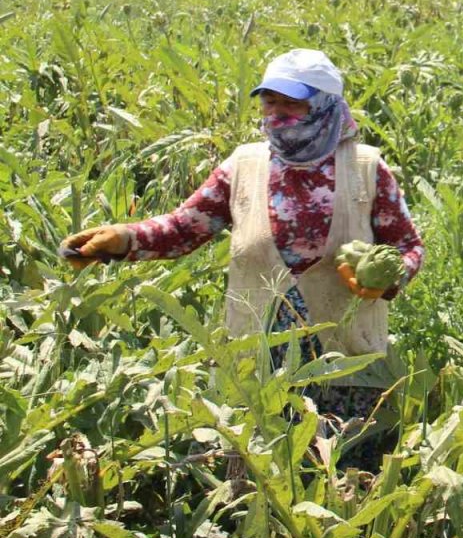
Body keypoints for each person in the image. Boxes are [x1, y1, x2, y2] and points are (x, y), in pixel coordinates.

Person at [60, 49, 424, 470]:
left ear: (325, 105)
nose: (278, 114)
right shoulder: (244, 166)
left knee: (344, 479)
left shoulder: (365, 167)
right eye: (270, 102)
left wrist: (387, 279)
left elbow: (408, 247)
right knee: (258, 480)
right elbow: (184, 228)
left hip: (346, 364)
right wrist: (122, 240)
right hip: (258, 362)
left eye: (292, 103)